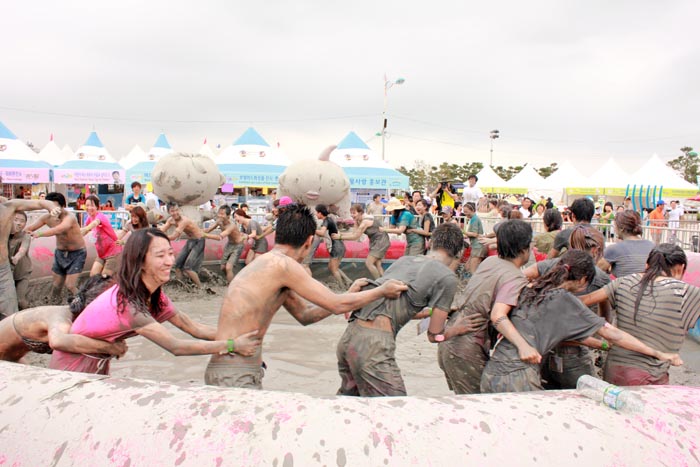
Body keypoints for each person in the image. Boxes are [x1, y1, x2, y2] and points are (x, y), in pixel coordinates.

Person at [204, 204, 407, 390]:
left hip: (229, 368)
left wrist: (349, 294)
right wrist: (381, 291)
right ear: (309, 241)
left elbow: (305, 315)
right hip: (236, 372)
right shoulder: (283, 265)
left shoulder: (268, 264)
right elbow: (336, 306)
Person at [49, 229, 261, 375]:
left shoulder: (155, 296)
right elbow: (176, 347)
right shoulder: (129, 305)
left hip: (98, 363)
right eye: (160, 256)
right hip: (71, 367)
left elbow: (194, 328)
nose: (170, 261)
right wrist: (233, 345)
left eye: (171, 253)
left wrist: (240, 335)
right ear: (140, 262)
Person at [480, 250, 681, 393]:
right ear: (583, 280)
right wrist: (656, 352)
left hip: (492, 372)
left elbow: (568, 336)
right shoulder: (565, 300)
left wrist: (602, 345)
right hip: (519, 377)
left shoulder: (532, 288)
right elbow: (614, 333)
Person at [336, 223, 468, 397]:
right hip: (373, 347)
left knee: (348, 406)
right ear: (459, 253)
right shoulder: (448, 278)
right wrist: (457, 330)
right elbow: (434, 335)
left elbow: (394, 303)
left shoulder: (404, 261)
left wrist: (430, 312)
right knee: (397, 409)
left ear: (430, 243)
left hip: (348, 340)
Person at [438, 220, 537, 394]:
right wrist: (523, 346)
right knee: (479, 406)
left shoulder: (490, 261)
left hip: (450, 339)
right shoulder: (515, 278)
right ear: (524, 249)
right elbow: (498, 316)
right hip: (467, 348)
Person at [582, 245, 699, 386]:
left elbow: (582, 301)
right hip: (650, 376)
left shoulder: (622, 282)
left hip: (614, 371)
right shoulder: (686, 293)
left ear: (647, 265)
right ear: (680, 268)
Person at [524, 225, 612, 389]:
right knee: (583, 399)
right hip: (575, 353)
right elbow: (606, 316)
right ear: (595, 249)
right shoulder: (599, 278)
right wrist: (601, 343)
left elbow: (518, 279)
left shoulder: (551, 265)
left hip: (543, 349)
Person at [0, 276, 127, 362]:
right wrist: (110, 348)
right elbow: (58, 341)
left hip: (12, 357)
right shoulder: (60, 317)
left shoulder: (76, 321)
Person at [26, 192, 87, 303]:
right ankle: (54, 303)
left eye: (56, 206)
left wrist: (39, 234)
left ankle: (83, 303)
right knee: (56, 285)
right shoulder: (47, 217)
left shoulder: (70, 217)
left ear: (63, 206)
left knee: (70, 285)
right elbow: (30, 228)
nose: (53, 210)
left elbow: (59, 229)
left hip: (77, 253)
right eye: (50, 207)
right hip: (60, 253)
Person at [331, 204, 390, 279]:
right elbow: (353, 233)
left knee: (369, 263)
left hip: (380, 241)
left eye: (354, 213)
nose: (352, 215)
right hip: (376, 241)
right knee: (377, 264)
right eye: (351, 213)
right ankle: (384, 281)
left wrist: (340, 237)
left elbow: (355, 237)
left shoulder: (365, 221)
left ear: (360, 212)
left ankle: (379, 283)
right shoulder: (359, 221)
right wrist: (341, 233)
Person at [159, 202, 206, 289]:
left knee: (188, 267)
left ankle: (201, 288)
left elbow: (173, 237)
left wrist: (161, 237)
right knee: (177, 265)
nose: (175, 213)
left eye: (177, 210)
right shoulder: (170, 220)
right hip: (190, 241)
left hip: (199, 241)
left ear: (179, 210)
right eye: (172, 211)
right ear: (169, 212)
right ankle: (182, 286)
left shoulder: (184, 221)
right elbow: (163, 229)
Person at [598, 210, 655, 278]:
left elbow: (596, 271)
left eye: (615, 225)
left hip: (622, 287)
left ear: (622, 228)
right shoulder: (652, 245)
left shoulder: (614, 249)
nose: (614, 228)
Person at [80, 195, 122, 277]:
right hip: (101, 254)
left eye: (92, 205)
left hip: (113, 252)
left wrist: (87, 228)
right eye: (87, 205)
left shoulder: (100, 216)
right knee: (93, 276)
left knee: (105, 277)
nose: (89, 208)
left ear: (97, 207)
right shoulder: (89, 218)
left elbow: (96, 223)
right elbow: (84, 231)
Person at [204, 205, 247, 283]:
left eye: (222, 214)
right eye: (219, 213)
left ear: (228, 216)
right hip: (229, 244)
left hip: (238, 246)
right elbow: (208, 230)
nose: (220, 216)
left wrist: (204, 235)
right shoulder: (219, 221)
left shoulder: (231, 226)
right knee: (223, 267)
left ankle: (231, 287)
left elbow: (219, 237)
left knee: (228, 268)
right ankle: (231, 279)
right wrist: (196, 231)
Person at [315, 204, 352, 288]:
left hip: (336, 247)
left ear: (320, 213)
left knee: (334, 269)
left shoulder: (326, 221)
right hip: (340, 246)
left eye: (317, 213)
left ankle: (342, 286)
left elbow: (321, 233)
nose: (316, 215)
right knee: (331, 267)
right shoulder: (330, 219)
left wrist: (311, 228)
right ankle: (347, 280)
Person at [9, 212, 33, 310]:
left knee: (20, 300)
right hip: (7, 274)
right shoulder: (4, 235)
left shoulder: (25, 236)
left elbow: (23, 249)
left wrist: (16, 257)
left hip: (22, 273)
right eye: (15, 220)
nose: (18, 223)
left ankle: (28, 315)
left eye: (22, 221)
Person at [463, 202, 485, 274]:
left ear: (472, 210)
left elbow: (475, 234)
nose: (465, 214)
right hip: (476, 246)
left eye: (466, 212)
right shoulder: (473, 219)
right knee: (467, 267)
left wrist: (463, 231)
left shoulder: (475, 219)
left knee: (472, 269)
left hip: (477, 246)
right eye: (464, 212)